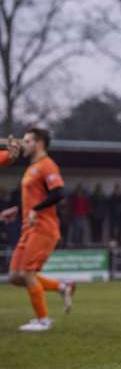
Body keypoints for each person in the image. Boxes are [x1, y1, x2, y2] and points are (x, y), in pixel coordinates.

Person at [0, 128, 75, 331]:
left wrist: (35, 209)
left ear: (39, 143)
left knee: (27, 273)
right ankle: (62, 286)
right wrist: (17, 210)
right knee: (15, 276)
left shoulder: (47, 165)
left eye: (27, 141)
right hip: (28, 227)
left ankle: (43, 320)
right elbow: (36, 197)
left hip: (43, 227)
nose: (23, 144)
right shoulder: (32, 167)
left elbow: (59, 193)